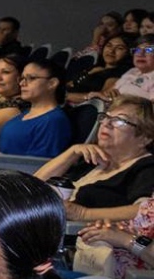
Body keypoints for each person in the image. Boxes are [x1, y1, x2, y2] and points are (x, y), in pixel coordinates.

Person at [34, 95, 154, 223]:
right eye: (106, 117)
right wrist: (71, 153)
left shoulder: (147, 167)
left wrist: (83, 214)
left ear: (145, 137)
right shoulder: (92, 158)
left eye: (119, 120)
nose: (106, 123)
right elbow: (32, 187)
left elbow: (146, 212)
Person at [0, 59, 71, 157]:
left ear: (52, 83)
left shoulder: (53, 121)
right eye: (22, 78)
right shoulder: (25, 114)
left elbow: (37, 166)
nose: (22, 83)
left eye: (31, 78)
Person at [67, 35, 130, 103]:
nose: (111, 51)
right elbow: (70, 84)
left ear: (128, 53)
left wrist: (65, 96)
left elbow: (101, 97)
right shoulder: (95, 67)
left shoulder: (119, 74)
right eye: (109, 45)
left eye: (119, 48)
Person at [105, 35, 154, 101]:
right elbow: (108, 93)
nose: (140, 54)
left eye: (149, 50)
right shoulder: (132, 71)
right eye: (137, 50)